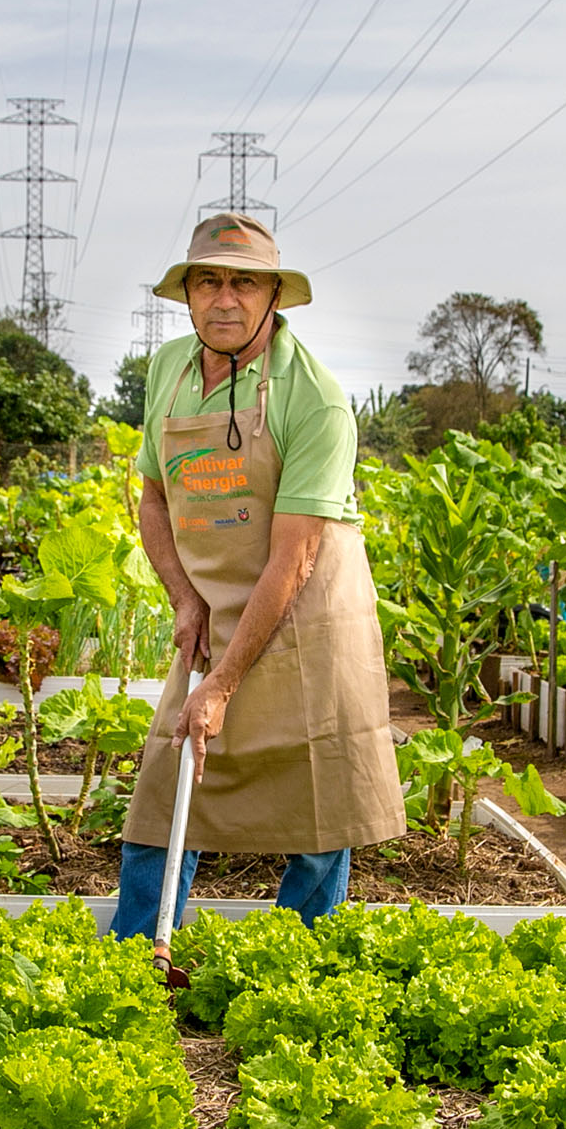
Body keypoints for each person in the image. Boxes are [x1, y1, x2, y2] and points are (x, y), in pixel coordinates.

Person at [108, 212, 400, 941]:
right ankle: (135, 951)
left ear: (274, 296)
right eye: (209, 280)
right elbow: (152, 496)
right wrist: (184, 597)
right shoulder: (170, 370)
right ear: (186, 294)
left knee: (321, 802)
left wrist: (226, 683)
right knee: (163, 787)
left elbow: (296, 554)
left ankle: (293, 956)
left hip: (309, 614)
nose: (226, 298)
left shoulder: (316, 398)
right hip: (215, 606)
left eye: (245, 282)